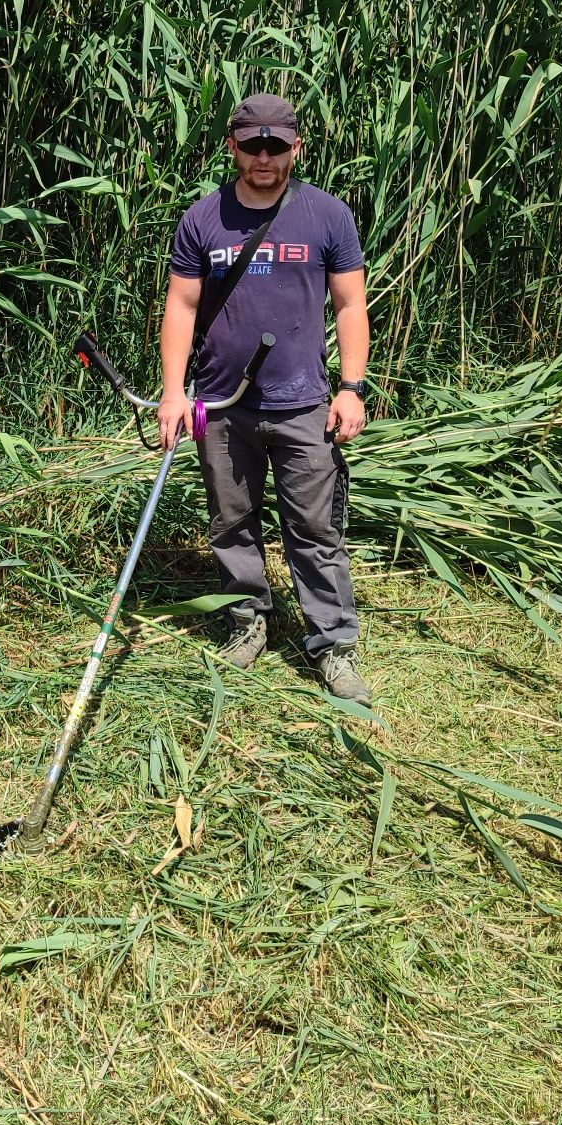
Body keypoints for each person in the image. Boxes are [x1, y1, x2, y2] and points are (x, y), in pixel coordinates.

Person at [157, 92, 372, 703]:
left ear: (295, 148)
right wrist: (175, 393)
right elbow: (182, 306)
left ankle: (332, 643)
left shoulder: (327, 216)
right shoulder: (203, 219)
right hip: (222, 405)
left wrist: (352, 388)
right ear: (233, 146)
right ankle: (247, 619)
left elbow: (351, 305)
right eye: (252, 145)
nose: (264, 157)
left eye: (277, 146)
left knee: (313, 526)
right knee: (231, 521)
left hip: (304, 402)